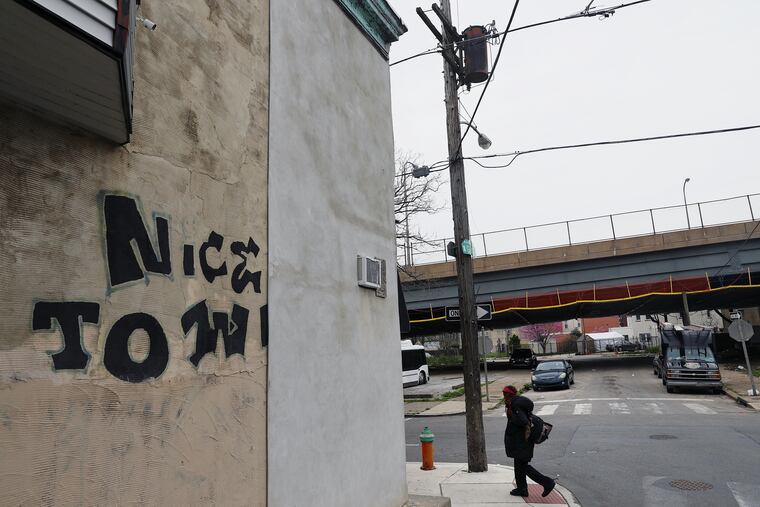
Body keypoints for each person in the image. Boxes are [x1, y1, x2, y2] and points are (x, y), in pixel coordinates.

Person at [502, 385, 555, 498]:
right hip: (521, 441)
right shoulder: (515, 404)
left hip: (523, 442)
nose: (503, 397)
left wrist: (512, 416)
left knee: (523, 466)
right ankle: (522, 489)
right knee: (518, 465)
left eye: (504, 394)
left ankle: (547, 482)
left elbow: (523, 421)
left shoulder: (515, 405)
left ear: (508, 395)